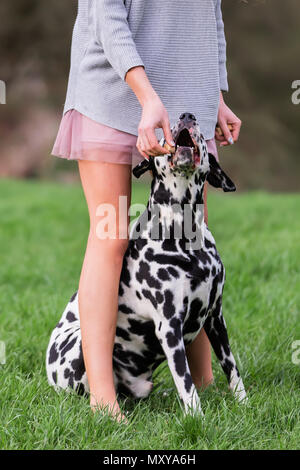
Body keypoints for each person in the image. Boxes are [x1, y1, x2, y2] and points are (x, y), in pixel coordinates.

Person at [51, 0, 242, 422]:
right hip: (114, 85)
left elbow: (210, 15)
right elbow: (106, 15)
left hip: (189, 92)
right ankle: (104, 397)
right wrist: (146, 96)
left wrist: (217, 94)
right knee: (111, 233)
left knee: (191, 236)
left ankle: (204, 381)